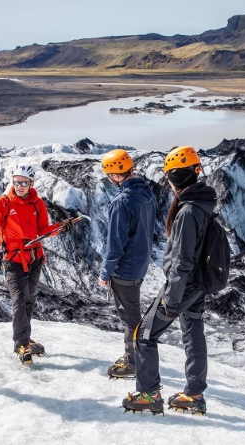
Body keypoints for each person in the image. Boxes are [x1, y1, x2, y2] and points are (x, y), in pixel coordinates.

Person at [122, 146, 215, 415]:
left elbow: (182, 260)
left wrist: (171, 300)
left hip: (182, 287)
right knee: (193, 333)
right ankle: (194, 394)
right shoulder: (203, 203)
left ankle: (150, 395)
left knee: (144, 335)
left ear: (174, 178)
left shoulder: (187, 212)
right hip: (198, 285)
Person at [0, 164, 75, 364]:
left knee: (29, 299)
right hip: (13, 259)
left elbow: (43, 229)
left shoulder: (37, 203)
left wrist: (60, 227)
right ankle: (20, 342)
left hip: (34, 257)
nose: (20, 186)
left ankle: (25, 338)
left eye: (24, 182)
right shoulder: (2, 203)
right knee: (19, 300)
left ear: (31, 183)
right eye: (17, 182)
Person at [99, 149, 157, 379]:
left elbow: (115, 244)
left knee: (130, 317)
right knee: (132, 313)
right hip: (140, 264)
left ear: (115, 175)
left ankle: (133, 362)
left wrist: (106, 272)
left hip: (125, 269)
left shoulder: (122, 201)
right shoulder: (147, 193)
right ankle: (134, 357)